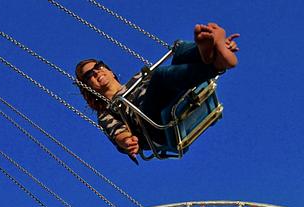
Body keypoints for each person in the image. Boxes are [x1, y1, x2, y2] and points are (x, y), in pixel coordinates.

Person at [76, 24, 239, 159]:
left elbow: (173, 73)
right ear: (88, 87)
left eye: (98, 66)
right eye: (89, 75)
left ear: (110, 71)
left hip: (172, 97)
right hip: (154, 126)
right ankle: (215, 64)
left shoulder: (139, 77)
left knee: (180, 49)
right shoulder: (107, 111)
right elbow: (117, 133)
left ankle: (211, 51)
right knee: (160, 76)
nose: (97, 72)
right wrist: (126, 142)